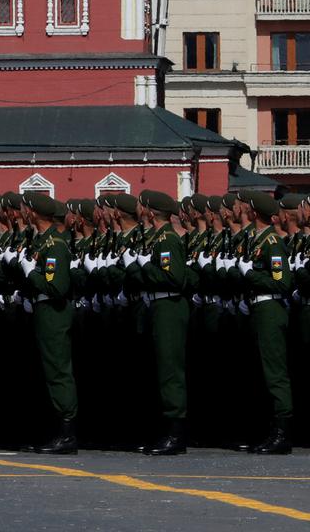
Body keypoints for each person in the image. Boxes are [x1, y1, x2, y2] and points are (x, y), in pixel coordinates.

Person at [139, 190, 193, 456]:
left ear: (150, 212)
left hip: (169, 306)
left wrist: (143, 267)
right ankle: (165, 430)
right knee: (161, 368)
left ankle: (176, 434)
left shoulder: (167, 239)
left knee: (170, 369)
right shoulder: (158, 238)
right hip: (159, 305)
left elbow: (174, 278)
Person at [22, 195, 77, 454]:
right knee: (46, 370)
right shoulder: (42, 241)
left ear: (35, 213)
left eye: (26, 208)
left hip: (54, 313)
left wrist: (30, 273)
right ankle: (53, 429)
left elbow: (56, 287)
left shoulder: (54, 245)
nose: (23, 212)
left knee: (58, 370)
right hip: (42, 310)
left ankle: (67, 433)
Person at [241, 190, 293, 454]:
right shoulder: (257, 239)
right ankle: (267, 430)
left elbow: (282, 282)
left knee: (274, 372)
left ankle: (282, 433)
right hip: (258, 307)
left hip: (270, 308)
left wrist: (251, 275)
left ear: (255, 212)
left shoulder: (272, 242)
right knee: (262, 371)